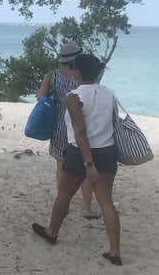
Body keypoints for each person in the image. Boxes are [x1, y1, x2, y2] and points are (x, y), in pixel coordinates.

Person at [32, 54, 122, 266]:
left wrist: (89, 164)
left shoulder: (74, 96)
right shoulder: (109, 93)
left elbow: (81, 133)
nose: (70, 71)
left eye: (72, 68)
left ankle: (52, 232)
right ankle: (115, 252)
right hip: (107, 151)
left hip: (80, 154)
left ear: (77, 72)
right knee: (107, 203)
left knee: (64, 195)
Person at [36, 41, 99, 220]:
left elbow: (40, 96)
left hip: (59, 124)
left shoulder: (52, 75)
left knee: (61, 167)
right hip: (82, 123)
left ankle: (63, 205)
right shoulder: (82, 74)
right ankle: (87, 208)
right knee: (86, 166)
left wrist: (57, 101)